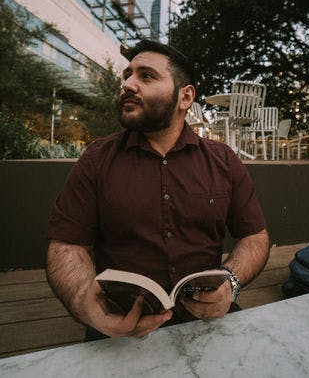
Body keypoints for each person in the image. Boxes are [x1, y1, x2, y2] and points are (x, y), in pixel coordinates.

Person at [45, 39, 270, 340]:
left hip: (207, 322)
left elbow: (254, 236)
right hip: (117, 326)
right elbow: (66, 246)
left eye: (146, 76)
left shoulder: (223, 160)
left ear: (185, 97)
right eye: (127, 75)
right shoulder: (97, 159)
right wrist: (85, 305)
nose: (128, 85)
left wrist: (231, 282)